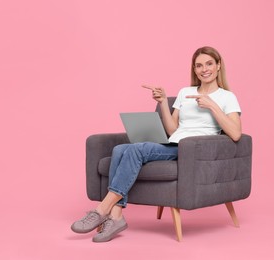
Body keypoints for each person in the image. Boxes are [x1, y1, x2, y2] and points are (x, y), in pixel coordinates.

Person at [71, 46, 242, 242]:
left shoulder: (227, 97)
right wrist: (162, 102)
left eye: (209, 64)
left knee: (137, 150)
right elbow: (172, 130)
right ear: (194, 70)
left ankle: (102, 209)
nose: (204, 69)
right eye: (199, 65)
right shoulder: (185, 92)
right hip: (174, 143)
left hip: (193, 150)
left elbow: (236, 133)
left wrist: (212, 105)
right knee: (119, 149)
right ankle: (116, 215)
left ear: (218, 66)